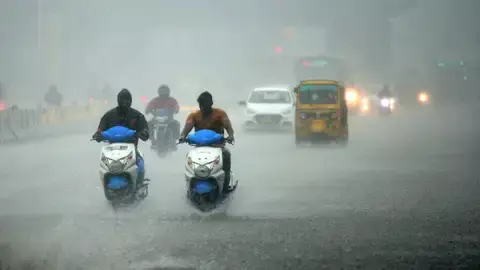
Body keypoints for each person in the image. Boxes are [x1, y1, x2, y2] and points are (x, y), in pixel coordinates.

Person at [178, 91, 235, 194]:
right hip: (199, 148)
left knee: (226, 155)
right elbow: (187, 128)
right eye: (201, 105)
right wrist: (182, 136)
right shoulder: (194, 116)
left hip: (218, 147)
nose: (203, 108)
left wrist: (230, 136)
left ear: (211, 104)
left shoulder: (220, 114)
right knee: (189, 158)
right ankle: (190, 187)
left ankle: (225, 187)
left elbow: (229, 127)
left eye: (205, 105)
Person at [92, 89, 150, 185]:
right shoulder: (109, 115)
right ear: (117, 100)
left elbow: (145, 130)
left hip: (132, 149)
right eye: (122, 99)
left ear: (131, 101)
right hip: (112, 150)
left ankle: (138, 184)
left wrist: (143, 133)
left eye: (127, 100)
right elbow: (100, 129)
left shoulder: (137, 115)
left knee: (140, 163)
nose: (125, 102)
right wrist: (97, 135)